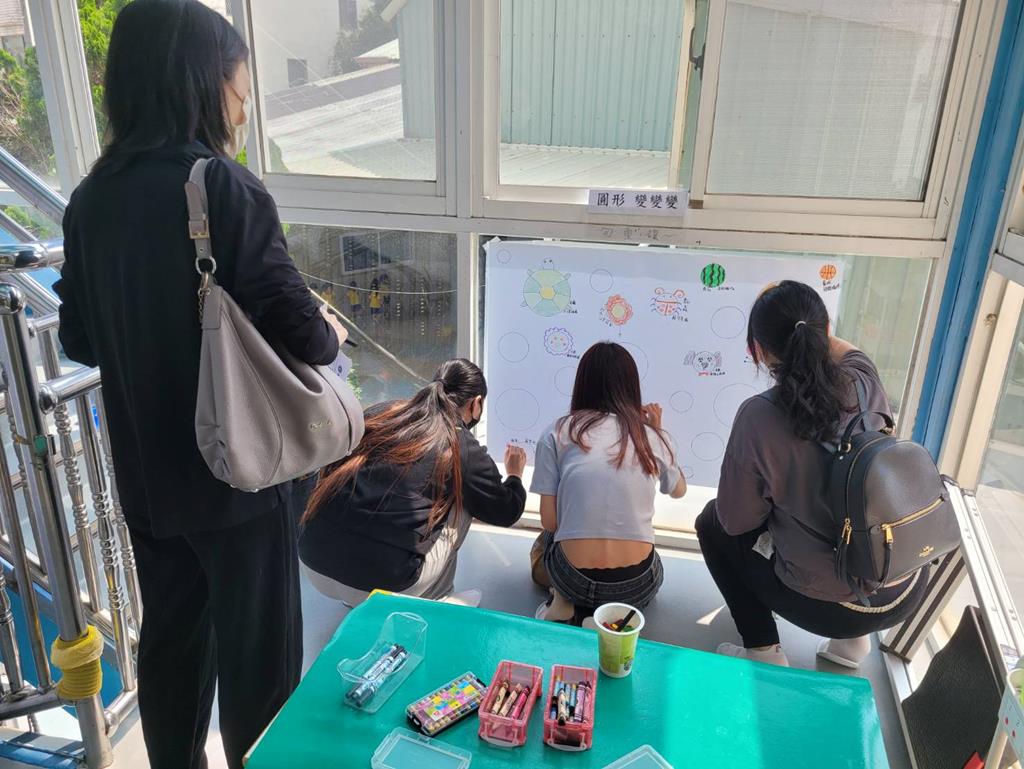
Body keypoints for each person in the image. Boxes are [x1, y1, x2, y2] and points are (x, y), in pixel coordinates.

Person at [54, 3, 348, 767]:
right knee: (260, 669)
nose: (242, 112)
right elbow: (307, 336)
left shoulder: (90, 200)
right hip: (239, 479)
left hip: (148, 481)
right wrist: (328, 326)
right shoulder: (222, 188)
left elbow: (78, 338)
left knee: (172, 650)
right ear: (200, 83)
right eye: (239, 92)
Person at [695, 281, 929, 668]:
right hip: (905, 582)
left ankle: (763, 652)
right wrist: (803, 319)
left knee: (711, 523)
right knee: (854, 512)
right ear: (826, 330)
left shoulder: (759, 416)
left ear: (758, 350)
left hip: (837, 609)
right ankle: (852, 648)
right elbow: (840, 347)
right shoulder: (863, 378)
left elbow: (736, 521)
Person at [299, 359, 528, 606]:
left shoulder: (385, 412)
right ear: (476, 404)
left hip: (314, 564)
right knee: (462, 492)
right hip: (386, 584)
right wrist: (514, 476)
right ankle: (438, 596)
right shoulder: (460, 445)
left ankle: (356, 597)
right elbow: (505, 511)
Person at [531, 342, 687, 624]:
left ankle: (563, 602)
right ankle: (612, 616)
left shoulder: (556, 432)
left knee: (549, 538)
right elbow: (679, 491)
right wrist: (659, 433)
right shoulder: (650, 437)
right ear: (631, 387)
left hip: (572, 579)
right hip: (636, 586)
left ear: (582, 383)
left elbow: (549, 521)